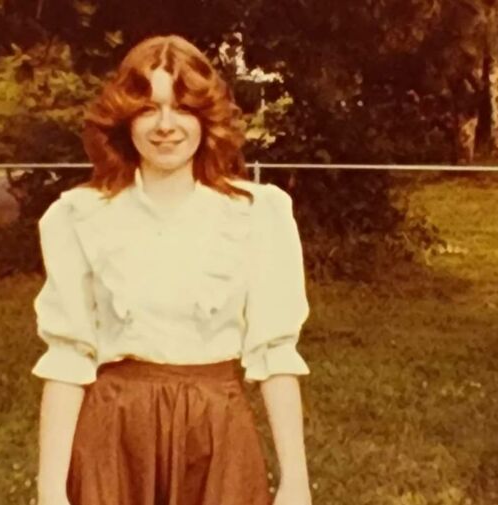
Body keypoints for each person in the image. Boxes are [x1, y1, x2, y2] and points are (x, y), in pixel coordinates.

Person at [32, 34, 313, 505]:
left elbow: (276, 357)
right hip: (115, 440)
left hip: (217, 437)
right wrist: (51, 491)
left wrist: (295, 482)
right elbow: (67, 359)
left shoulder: (257, 213)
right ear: (125, 119)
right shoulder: (81, 215)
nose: (165, 126)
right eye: (148, 109)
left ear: (205, 117)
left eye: (181, 108)